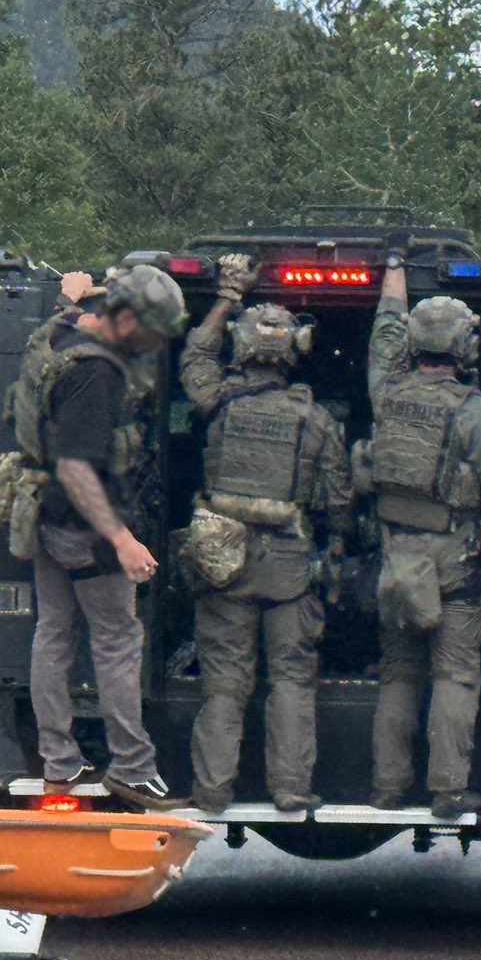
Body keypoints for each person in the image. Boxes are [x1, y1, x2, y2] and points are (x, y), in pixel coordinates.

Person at [178, 255, 352, 815]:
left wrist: (228, 295)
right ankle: (291, 789)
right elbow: (339, 500)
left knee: (225, 683)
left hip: (222, 560)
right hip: (289, 563)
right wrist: (339, 540)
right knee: (292, 680)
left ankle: (211, 791)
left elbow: (195, 353)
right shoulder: (317, 419)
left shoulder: (217, 402)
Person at [363, 248, 481, 820]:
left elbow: (383, 343)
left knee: (398, 675)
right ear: (466, 347)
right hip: (454, 566)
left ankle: (388, 789)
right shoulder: (473, 411)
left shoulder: (387, 396)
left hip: (395, 563)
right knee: (454, 676)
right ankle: (446, 791)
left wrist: (393, 277)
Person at [13, 264, 188, 811]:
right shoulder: (100, 374)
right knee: (115, 642)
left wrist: (71, 294)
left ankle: (58, 766)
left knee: (53, 635)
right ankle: (133, 768)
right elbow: (80, 469)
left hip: (41, 514)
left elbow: (59, 317)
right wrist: (123, 541)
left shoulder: (59, 337)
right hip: (84, 525)